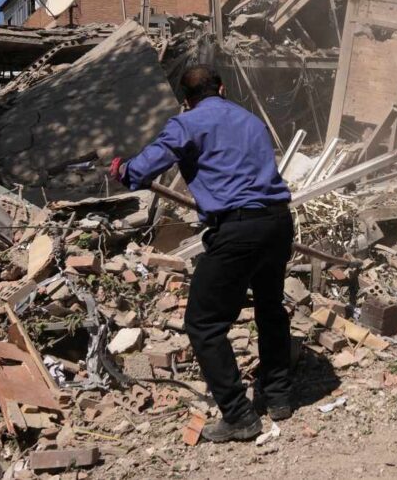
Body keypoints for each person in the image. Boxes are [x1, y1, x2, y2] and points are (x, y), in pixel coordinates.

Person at [110, 65, 293, 443]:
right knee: (270, 308)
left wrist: (121, 169)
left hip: (237, 229)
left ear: (185, 101)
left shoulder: (186, 124)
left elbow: (139, 173)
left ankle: (239, 415)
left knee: (203, 323)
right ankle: (278, 396)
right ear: (222, 88)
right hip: (277, 223)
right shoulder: (252, 121)